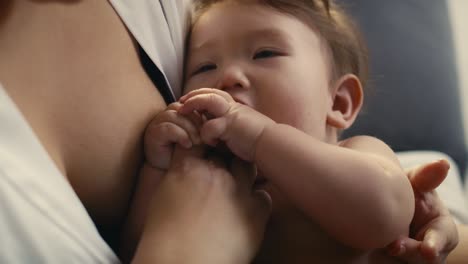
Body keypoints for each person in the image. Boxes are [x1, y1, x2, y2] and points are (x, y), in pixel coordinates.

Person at [0, 0, 462, 263]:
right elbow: (136, 245)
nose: (228, 78)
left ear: (338, 103)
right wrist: (158, 170)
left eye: (264, 54)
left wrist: (261, 137)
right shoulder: (213, 171)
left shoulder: (360, 153)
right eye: (203, 66)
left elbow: (385, 213)